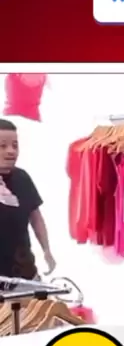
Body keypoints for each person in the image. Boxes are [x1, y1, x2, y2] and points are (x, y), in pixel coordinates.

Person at [0, 118, 56, 279]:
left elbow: (35, 217)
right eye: (2, 146)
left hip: (24, 271)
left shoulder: (22, 178)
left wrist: (46, 250)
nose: (11, 151)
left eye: (15, 145)